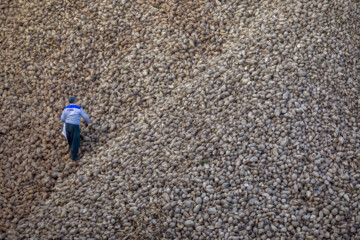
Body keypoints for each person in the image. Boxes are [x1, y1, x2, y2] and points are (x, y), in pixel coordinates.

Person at [61, 96, 91, 160]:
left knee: (70, 138)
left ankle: (71, 151)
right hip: (74, 126)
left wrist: (65, 122)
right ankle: (74, 156)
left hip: (67, 125)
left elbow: (62, 118)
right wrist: (89, 122)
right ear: (75, 101)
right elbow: (85, 117)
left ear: (69, 101)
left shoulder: (66, 109)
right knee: (75, 140)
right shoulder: (78, 108)